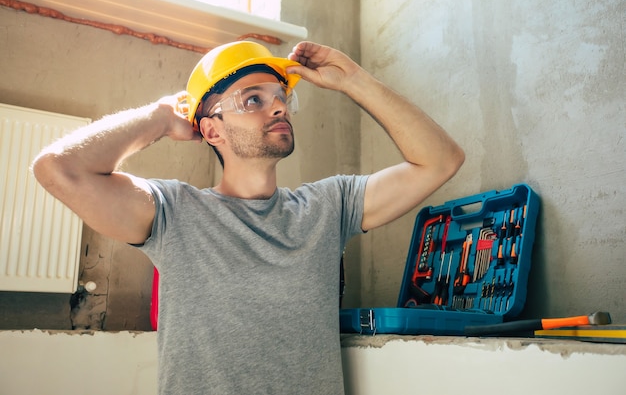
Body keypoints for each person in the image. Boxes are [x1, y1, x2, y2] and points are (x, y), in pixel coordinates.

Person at [33, 40, 464, 394]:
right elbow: (57, 169)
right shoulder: (173, 212)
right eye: (253, 100)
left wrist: (355, 81)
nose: (278, 108)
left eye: (281, 98)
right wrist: (162, 118)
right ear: (212, 130)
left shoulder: (329, 207)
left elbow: (440, 160)